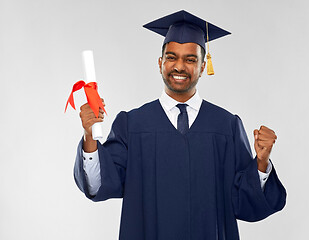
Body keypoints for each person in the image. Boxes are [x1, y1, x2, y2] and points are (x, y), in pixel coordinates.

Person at [73, 10, 286, 240]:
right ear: (160, 63)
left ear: (203, 66)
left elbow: (244, 202)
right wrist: (89, 138)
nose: (179, 66)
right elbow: (99, 185)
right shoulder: (132, 125)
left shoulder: (226, 126)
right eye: (172, 57)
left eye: (190, 59)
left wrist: (261, 163)